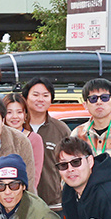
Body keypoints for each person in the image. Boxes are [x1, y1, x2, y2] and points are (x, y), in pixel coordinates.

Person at [22, 77, 72, 206]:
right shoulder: (15, 127)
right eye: (35, 95)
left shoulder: (61, 129)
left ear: (51, 99)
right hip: (19, 203)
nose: (40, 99)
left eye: (45, 95)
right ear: (26, 98)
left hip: (52, 203)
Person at [71, 78, 111, 155]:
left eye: (104, 98)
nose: (99, 102)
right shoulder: (77, 135)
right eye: (93, 98)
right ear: (85, 105)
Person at [4, 91, 45, 189]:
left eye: (19, 112)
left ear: (25, 115)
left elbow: (34, 175)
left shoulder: (34, 139)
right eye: (9, 112)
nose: (15, 116)